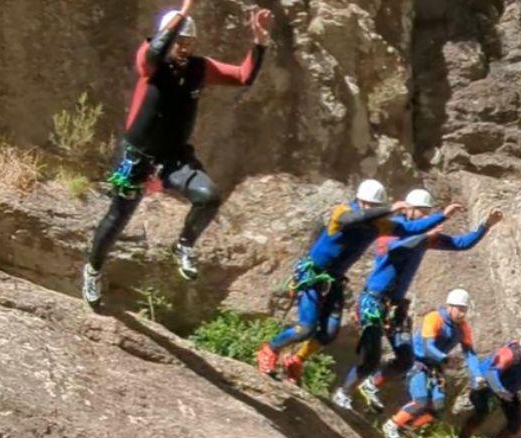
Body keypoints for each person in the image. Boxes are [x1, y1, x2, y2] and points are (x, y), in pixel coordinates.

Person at [82, 1, 272, 306]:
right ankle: (93, 269)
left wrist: (260, 42)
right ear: (167, 38)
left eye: (189, 43)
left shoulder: (200, 68)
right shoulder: (151, 63)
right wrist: (184, 11)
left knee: (208, 197)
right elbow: (156, 52)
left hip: (174, 157)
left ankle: (184, 245)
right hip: (137, 155)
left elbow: (242, 76)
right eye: (179, 42)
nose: (184, 48)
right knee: (118, 218)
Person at [255, 186, 460, 383]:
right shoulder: (342, 213)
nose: (371, 209)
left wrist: (443, 215)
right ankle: (270, 349)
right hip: (313, 275)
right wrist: (389, 209)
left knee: (329, 332)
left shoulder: (380, 225)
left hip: (333, 280)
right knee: (306, 328)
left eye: (374, 205)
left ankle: (296, 360)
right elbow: (354, 218)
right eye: (368, 205)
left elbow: (410, 228)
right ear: (359, 200)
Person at [333, 198, 503, 411]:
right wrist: (425, 236)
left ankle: (371, 384)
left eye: (427, 212)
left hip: (395, 307)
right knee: (372, 356)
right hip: (373, 302)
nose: (424, 216)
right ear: (409, 210)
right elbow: (397, 250)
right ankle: (344, 392)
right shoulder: (391, 228)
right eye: (421, 212)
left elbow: (461, 243)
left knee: (405, 358)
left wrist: (485, 226)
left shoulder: (425, 238)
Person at [382, 289, 483, 438]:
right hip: (416, 362)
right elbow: (428, 346)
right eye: (459, 309)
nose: (462, 314)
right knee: (420, 399)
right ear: (450, 306)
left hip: (435, 367)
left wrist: (477, 374)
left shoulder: (463, 328)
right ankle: (392, 425)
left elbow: (469, 353)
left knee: (438, 406)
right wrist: (444, 358)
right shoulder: (434, 318)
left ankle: (408, 428)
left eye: (465, 310)